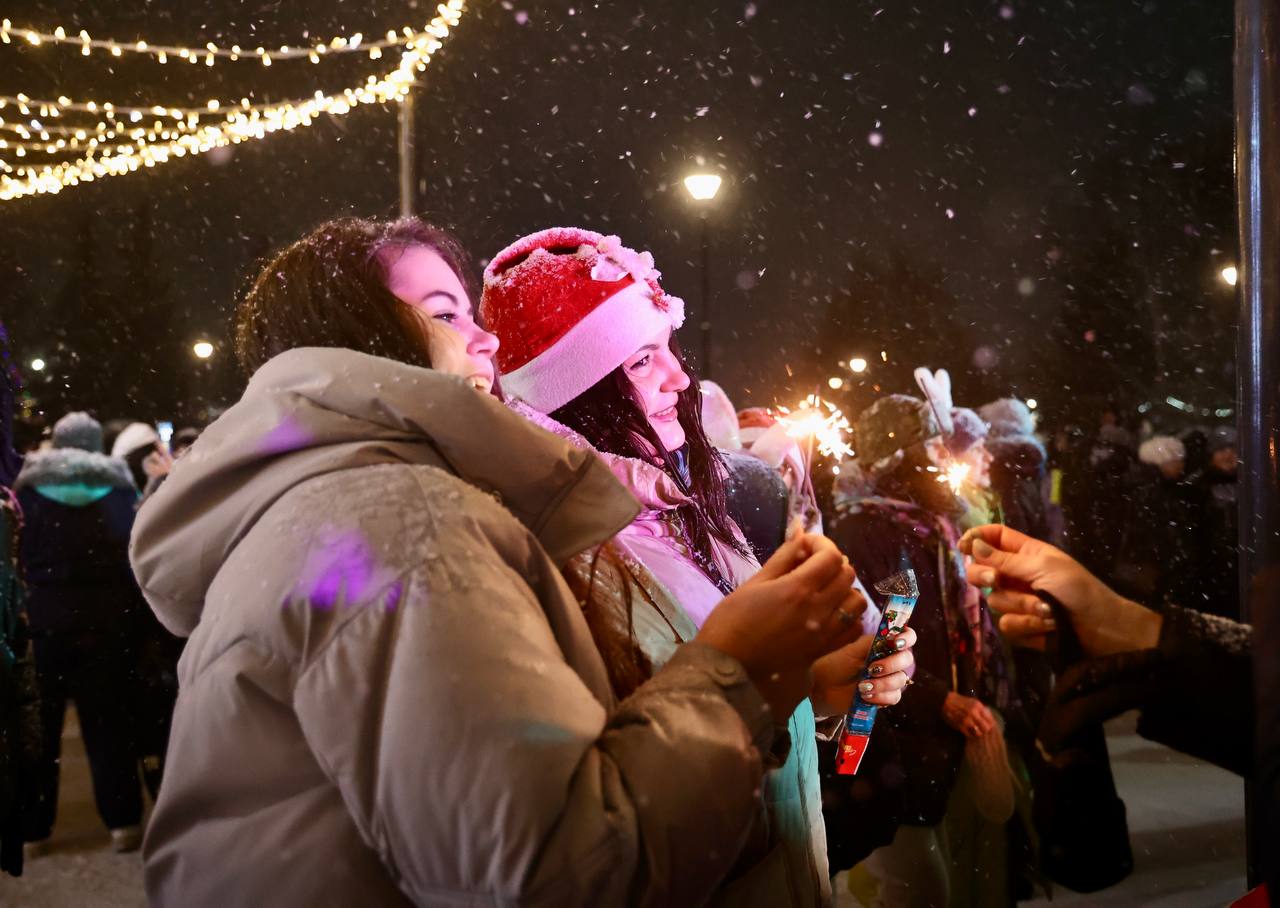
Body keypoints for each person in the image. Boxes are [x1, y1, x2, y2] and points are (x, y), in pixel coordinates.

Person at [131, 217, 914, 908]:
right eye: (642, 360)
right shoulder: (430, 526)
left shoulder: (665, 512)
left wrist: (811, 687)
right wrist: (745, 671)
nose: (488, 344)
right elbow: (558, 860)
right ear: (367, 350)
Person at [478, 226, 894, 905]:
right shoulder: (553, 560)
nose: (680, 377)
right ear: (575, 392)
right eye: (642, 361)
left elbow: (722, 701)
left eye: (667, 349)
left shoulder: (684, 512)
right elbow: (600, 819)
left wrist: (822, 685)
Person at [825, 394, 1021, 906]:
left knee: (956, 871)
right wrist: (940, 699)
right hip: (894, 737)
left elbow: (956, 626)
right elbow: (880, 640)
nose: (944, 458)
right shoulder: (868, 532)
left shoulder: (930, 524)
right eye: (931, 446)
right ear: (900, 457)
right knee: (918, 885)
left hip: (940, 736)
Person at [14, 411, 148, 854]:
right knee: (109, 723)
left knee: (40, 728)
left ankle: (33, 830)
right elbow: (134, 551)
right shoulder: (119, 490)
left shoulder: (29, 492)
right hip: (105, 621)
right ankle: (123, 822)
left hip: (46, 620)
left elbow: (17, 552)